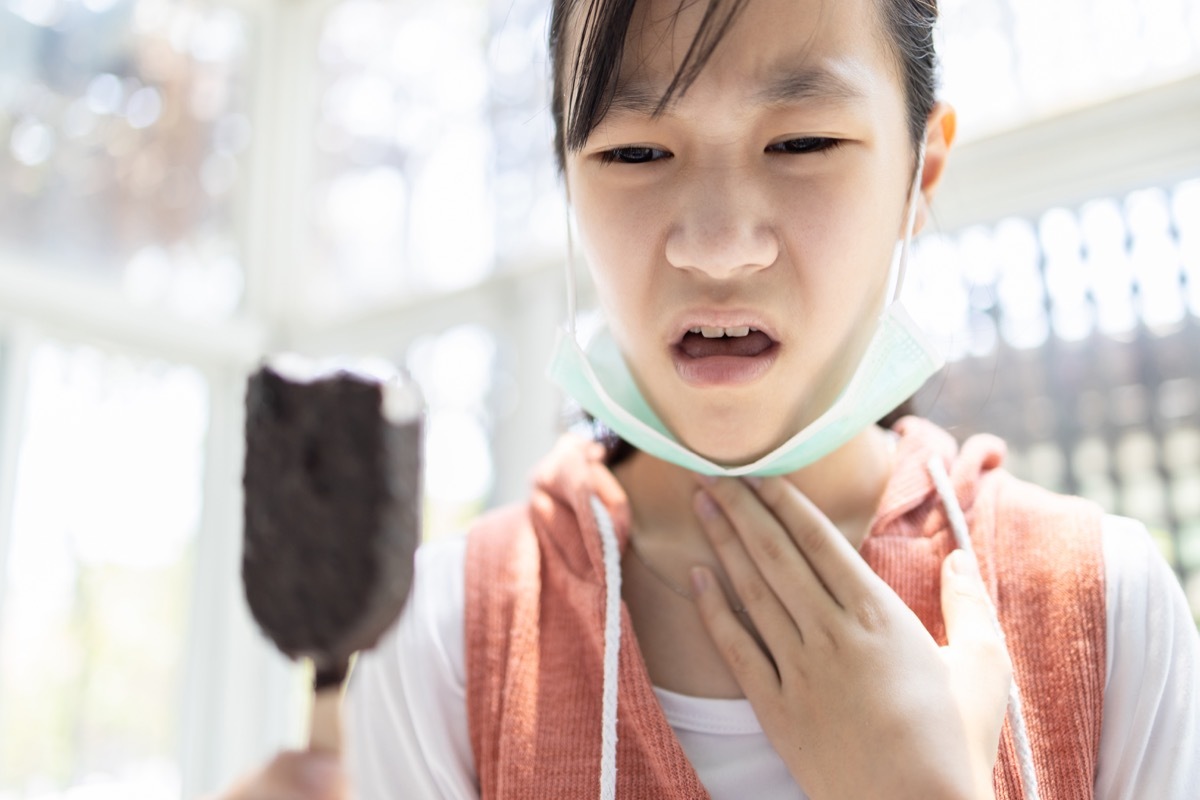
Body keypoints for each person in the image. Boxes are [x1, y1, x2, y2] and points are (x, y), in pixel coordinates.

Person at [220, 0, 1200, 797]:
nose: (719, 242)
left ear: (921, 172)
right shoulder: (446, 638)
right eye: (635, 154)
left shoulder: (1105, 611)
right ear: (567, 178)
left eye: (804, 141)